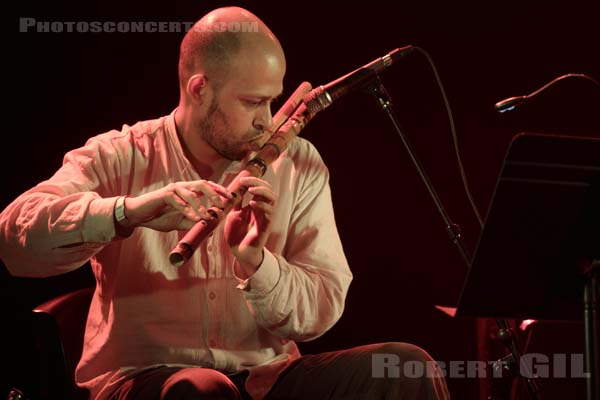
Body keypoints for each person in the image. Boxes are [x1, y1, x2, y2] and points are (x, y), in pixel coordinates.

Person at [0, 6, 450, 400]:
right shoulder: (118, 155)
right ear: (200, 89)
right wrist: (127, 213)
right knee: (202, 389)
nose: (267, 120)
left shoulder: (299, 162)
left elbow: (323, 306)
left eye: (273, 100)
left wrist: (256, 263)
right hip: (145, 380)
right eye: (253, 101)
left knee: (404, 367)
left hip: (266, 378)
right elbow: (14, 242)